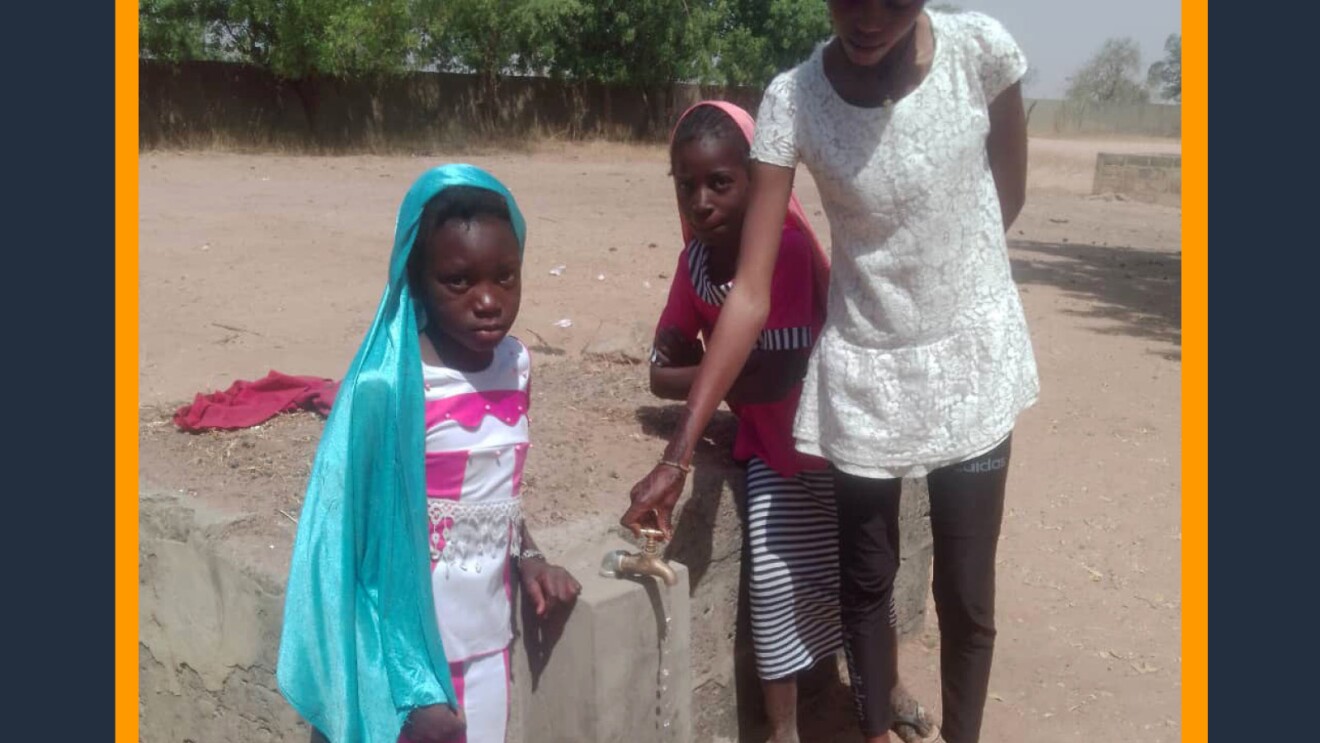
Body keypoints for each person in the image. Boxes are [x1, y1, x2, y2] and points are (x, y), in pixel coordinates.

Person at [622, 4, 1036, 742]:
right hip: (864, 370)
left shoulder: (980, 51)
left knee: (967, 594)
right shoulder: (796, 98)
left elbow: (1006, 194)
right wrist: (675, 455)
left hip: (972, 359)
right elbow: (747, 292)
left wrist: (949, 288)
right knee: (867, 581)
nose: (868, 17)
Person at [278, 165, 581, 743]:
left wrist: (530, 557)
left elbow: (494, 500)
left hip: (488, 641)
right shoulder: (386, 388)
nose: (488, 301)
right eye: (458, 281)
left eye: (506, 277)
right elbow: (347, 548)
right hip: (407, 661)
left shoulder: (515, 368)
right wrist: (406, 686)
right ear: (416, 281)